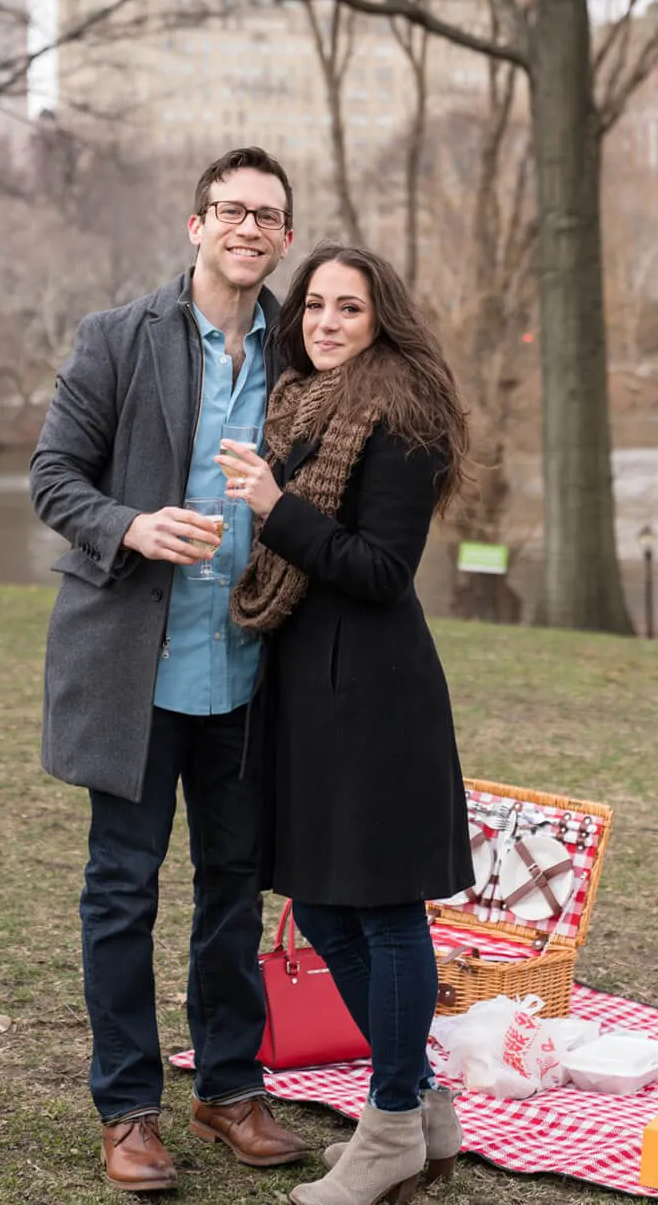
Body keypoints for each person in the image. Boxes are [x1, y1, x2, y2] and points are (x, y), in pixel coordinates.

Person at [29, 147, 309, 1193]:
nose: (249, 226)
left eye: (268, 214)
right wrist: (134, 523)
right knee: (121, 891)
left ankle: (230, 1086)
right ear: (196, 224)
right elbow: (52, 475)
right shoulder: (117, 338)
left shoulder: (303, 358)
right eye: (231, 209)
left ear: (283, 235)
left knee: (235, 891)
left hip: (246, 668)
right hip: (134, 673)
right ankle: (128, 1109)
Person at [216, 243, 473, 1205]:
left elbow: (379, 572)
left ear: (382, 320)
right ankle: (425, 1105)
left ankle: (392, 1123)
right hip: (310, 694)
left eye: (348, 308)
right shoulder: (301, 406)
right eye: (315, 305)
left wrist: (276, 509)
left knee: (385, 910)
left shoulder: (403, 415)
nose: (324, 321)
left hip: (375, 696)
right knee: (324, 908)